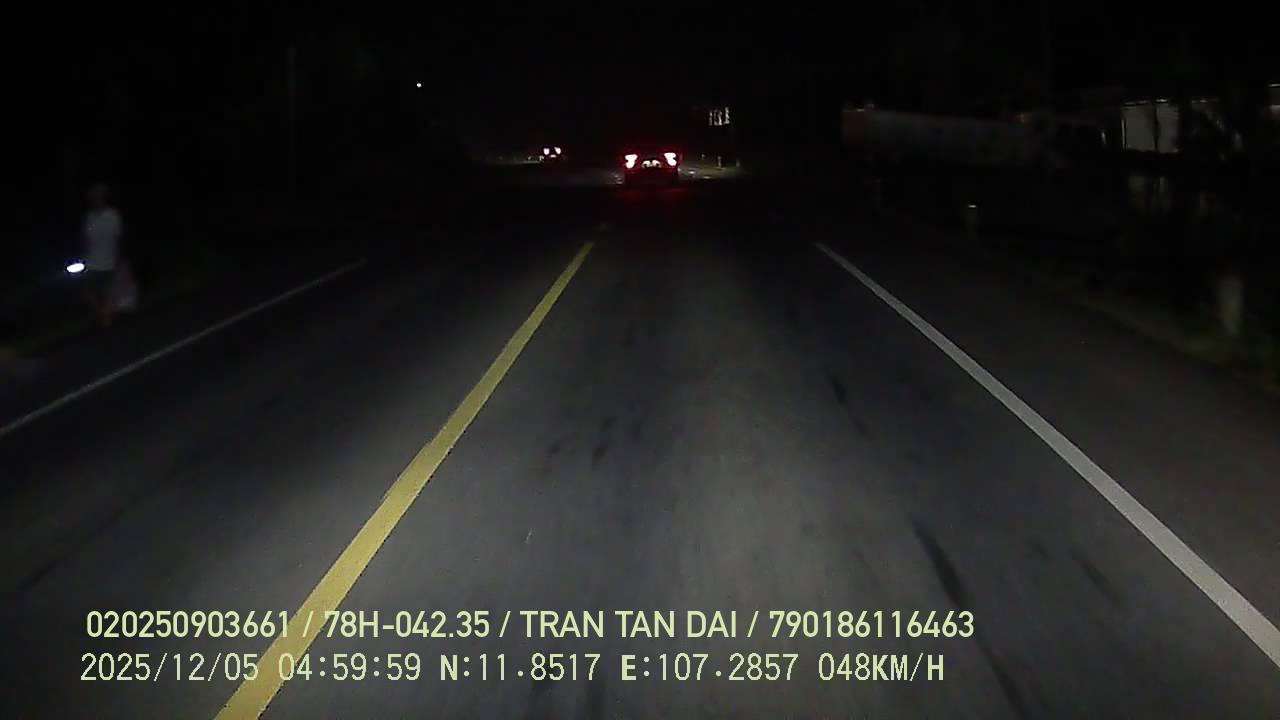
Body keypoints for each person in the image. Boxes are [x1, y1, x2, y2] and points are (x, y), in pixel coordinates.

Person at [81, 183, 125, 326]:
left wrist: (118, 258)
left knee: (110, 290)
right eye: (94, 196)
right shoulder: (89, 217)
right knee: (90, 291)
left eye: (99, 196)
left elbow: (118, 238)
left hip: (109, 259)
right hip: (92, 261)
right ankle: (103, 315)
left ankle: (107, 317)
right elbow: (86, 239)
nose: (97, 199)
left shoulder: (112, 215)